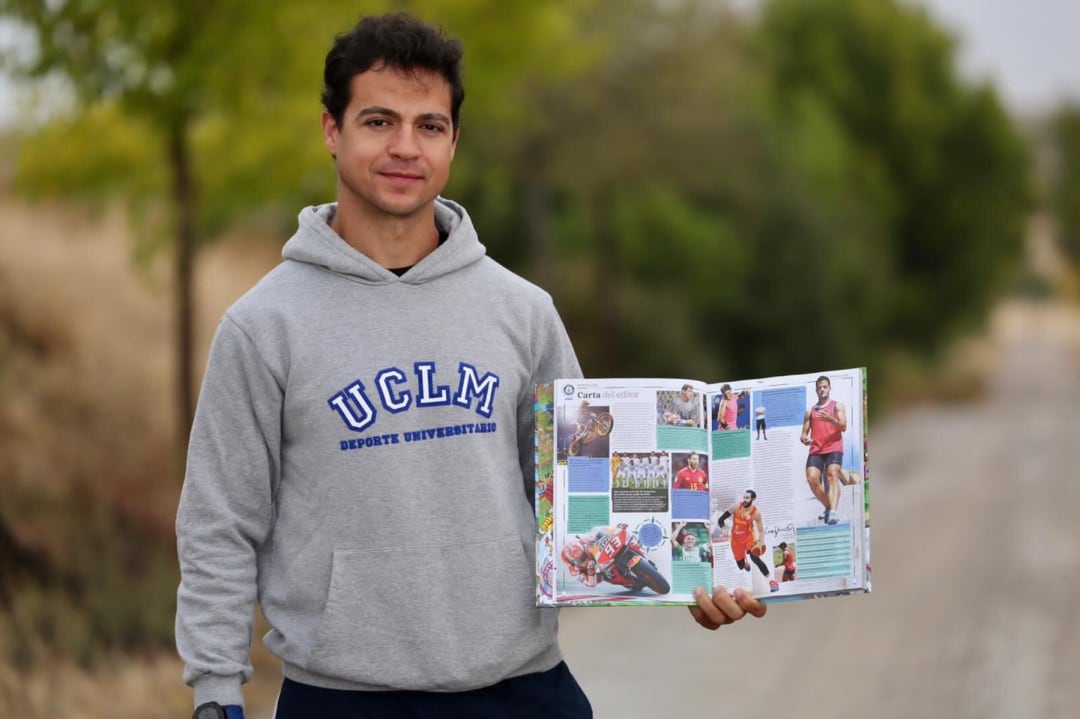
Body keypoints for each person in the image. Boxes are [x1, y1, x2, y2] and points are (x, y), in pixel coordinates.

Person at [175, 13, 765, 719]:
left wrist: (693, 578)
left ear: (454, 141)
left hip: (523, 689)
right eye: (378, 121)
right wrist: (215, 692)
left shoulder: (522, 311)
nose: (404, 147)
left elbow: (587, 497)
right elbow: (220, 523)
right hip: (341, 698)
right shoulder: (262, 327)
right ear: (332, 130)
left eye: (429, 125)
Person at [800, 375, 849, 525]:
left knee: (832, 474)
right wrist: (804, 439)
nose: (822, 389)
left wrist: (831, 419)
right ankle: (829, 506)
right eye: (819, 387)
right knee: (812, 478)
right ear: (816, 390)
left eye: (825, 386)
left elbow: (843, 427)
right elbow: (803, 434)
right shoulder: (810, 411)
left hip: (834, 447)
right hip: (816, 449)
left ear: (829, 388)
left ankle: (832, 512)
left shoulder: (837, 406)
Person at [718, 490, 779, 593]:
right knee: (740, 566)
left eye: (747, 498)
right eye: (744, 497)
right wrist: (723, 528)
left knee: (756, 559)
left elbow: (761, 530)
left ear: (753, 499)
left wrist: (762, 541)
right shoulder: (736, 507)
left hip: (748, 539)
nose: (745, 500)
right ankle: (745, 563)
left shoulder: (756, 513)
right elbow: (721, 519)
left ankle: (772, 581)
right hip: (736, 540)